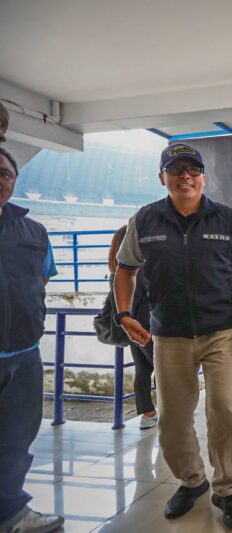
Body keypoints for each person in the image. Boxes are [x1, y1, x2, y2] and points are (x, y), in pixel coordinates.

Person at [114, 143, 232, 529]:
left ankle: (228, 489)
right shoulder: (144, 221)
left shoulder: (227, 220)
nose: (185, 176)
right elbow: (124, 268)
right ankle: (192, 480)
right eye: (176, 169)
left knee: (224, 409)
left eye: (192, 169)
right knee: (173, 417)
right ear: (163, 178)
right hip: (169, 335)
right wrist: (124, 312)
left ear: (203, 177)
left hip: (221, 331)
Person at [0, 146, 65, 533]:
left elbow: (41, 280)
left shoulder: (34, 231)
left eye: (5, 174)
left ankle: (11, 514)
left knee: (16, 441)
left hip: (24, 354)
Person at [108, 226, 158, 429]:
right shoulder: (140, 267)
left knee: (142, 370)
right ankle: (169, 414)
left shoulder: (114, 271)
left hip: (130, 327)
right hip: (148, 326)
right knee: (164, 371)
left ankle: (148, 414)